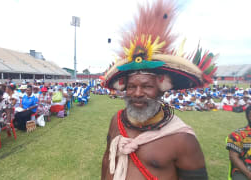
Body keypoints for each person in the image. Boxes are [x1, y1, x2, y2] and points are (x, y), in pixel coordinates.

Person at [101, 1, 215, 179]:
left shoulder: (182, 139)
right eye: (131, 86)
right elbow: (108, 160)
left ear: (161, 89)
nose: (138, 93)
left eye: (147, 86)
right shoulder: (116, 121)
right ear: (124, 88)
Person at [226, 106, 251, 179]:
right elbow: (233, 157)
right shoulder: (237, 134)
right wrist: (248, 174)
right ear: (249, 116)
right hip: (243, 170)